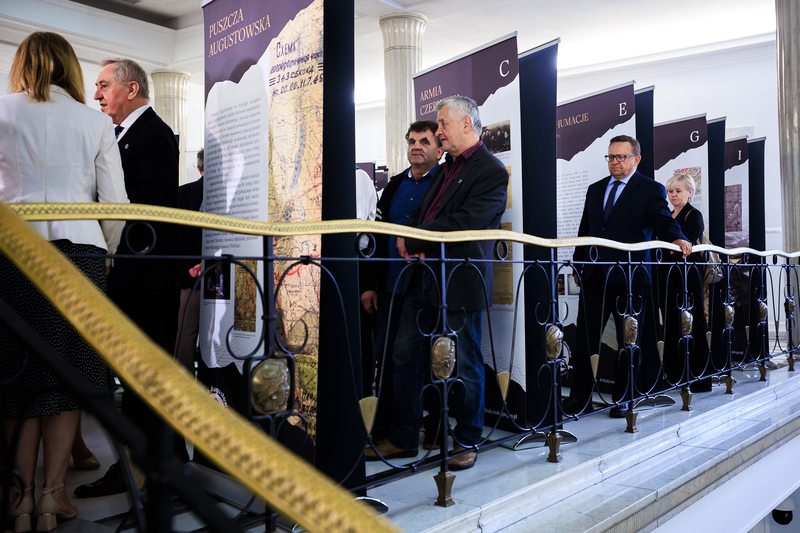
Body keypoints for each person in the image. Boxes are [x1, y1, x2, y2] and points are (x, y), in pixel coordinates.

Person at [0, 31, 128, 531]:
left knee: (14, 375)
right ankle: (54, 496)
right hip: (80, 254)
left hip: (14, 254)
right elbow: (115, 205)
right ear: (70, 68)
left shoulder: (3, 112)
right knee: (68, 377)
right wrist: (107, 252)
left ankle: (18, 497)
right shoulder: (94, 121)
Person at [365, 96, 508, 470]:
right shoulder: (446, 169)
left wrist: (412, 240)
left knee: (465, 363)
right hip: (421, 277)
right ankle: (403, 437)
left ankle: (466, 440)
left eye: (443, 124)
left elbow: (467, 222)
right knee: (403, 358)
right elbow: (420, 213)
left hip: (459, 279)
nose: (439, 131)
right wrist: (407, 234)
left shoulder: (492, 170)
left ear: (467, 124)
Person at [74, 57, 182, 499]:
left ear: (131, 89)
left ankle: (143, 469)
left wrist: (96, 201)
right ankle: (162, 461)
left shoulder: (154, 134)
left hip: (147, 277)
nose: (96, 94)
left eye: (103, 85)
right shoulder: (117, 135)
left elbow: (151, 203)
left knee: (143, 378)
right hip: (128, 275)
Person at [565, 135, 692, 418]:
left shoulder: (650, 189)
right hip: (595, 274)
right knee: (586, 339)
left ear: (636, 159)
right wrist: (579, 264)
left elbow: (662, 221)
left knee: (628, 339)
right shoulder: (595, 190)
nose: (614, 162)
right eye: (610, 157)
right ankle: (579, 398)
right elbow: (585, 230)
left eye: (620, 157)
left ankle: (625, 397)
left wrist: (679, 238)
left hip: (631, 277)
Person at [360, 121, 443, 443]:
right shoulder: (394, 186)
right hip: (389, 288)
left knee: (423, 363)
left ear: (439, 148)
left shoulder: (445, 184)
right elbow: (376, 239)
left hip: (427, 287)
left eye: (424, 141)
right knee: (388, 362)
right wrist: (369, 284)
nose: (416, 146)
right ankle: (387, 430)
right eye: (411, 141)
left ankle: (419, 433)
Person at [658, 173, 711, 392]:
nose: (673, 195)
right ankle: (674, 375)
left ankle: (698, 378)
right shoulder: (667, 215)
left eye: (678, 191)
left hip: (688, 276)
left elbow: (684, 245)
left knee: (692, 321)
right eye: (670, 191)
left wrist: (670, 247)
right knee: (670, 324)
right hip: (668, 276)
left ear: (690, 193)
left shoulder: (694, 214)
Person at [175, 149, 205, 372]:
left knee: (184, 337)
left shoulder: (181, 195)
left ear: (198, 167)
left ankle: (186, 393)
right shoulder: (234, 194)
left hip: (189, 280)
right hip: (229, 280)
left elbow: (173, 237)